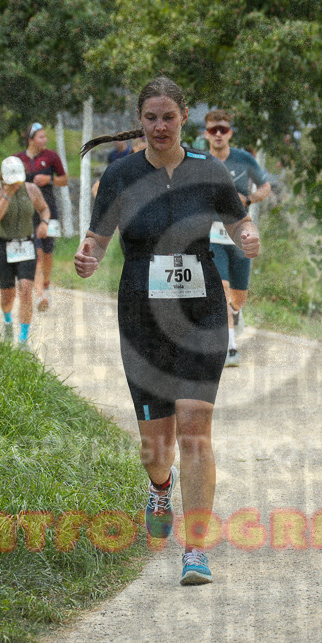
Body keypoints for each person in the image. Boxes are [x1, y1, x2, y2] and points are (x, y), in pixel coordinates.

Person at [75, 76, 259, 586]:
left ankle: (195, 548)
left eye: (169, 117)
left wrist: (248, 237)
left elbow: (239, 221)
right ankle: (160, 488)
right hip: (142, 316)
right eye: (151, 118)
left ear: (183, 120)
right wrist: (86, 258)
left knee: (196, 428)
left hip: (201, 311)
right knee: (158, 446)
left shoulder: (210, 170)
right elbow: (96, 238)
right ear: (142, 120)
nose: (159, 126)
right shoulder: (120, 175)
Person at [203, 110, 271, 367]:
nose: (218, 134)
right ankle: (230, 348)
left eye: (222, 129)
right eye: (212, 130)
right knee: (221, 290)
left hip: (241, 236)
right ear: (206, 134)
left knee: (238, 297)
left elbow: (265, 187)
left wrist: (250, 199)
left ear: (230, 133)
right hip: (212, 237)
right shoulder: (201, 161)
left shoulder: (244, 159)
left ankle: (237, 311)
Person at [0, 156, 50, 348]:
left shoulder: (31, 189)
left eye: (18, 179)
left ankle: (23, 339)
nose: (16, 183)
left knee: (25, 290)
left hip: (25, 246)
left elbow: (44, 209)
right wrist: (7, 194)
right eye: (12, 180)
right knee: (8, 294)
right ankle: (7, 322)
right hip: (1, 246)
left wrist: (45, 223)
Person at [13, 123, 68, 312]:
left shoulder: (51, 157)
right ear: (30, 140)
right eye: (41, 137)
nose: (45, 140)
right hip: (28, 212)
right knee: (36, 254)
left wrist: (49, 180)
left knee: (47, 252)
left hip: (50, 210)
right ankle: (40, 295)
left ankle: (46, 284)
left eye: (45, 137)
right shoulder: (17, 159)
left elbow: (64, 179)